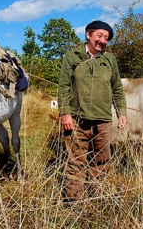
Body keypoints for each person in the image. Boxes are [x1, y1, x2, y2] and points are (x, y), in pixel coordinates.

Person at [57, 20, 127, 204]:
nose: (103, 41)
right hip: (77, 121)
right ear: (88, 34)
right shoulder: (73, 57)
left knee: (102, 163)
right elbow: (63, 87)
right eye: (100, 35)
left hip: (103, 121)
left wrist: (122, 112)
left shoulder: (109, 59)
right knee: (75, 163)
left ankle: (96, 199)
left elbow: (117, 88)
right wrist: (65, 113)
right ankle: (74, 204)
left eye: (106, 38)